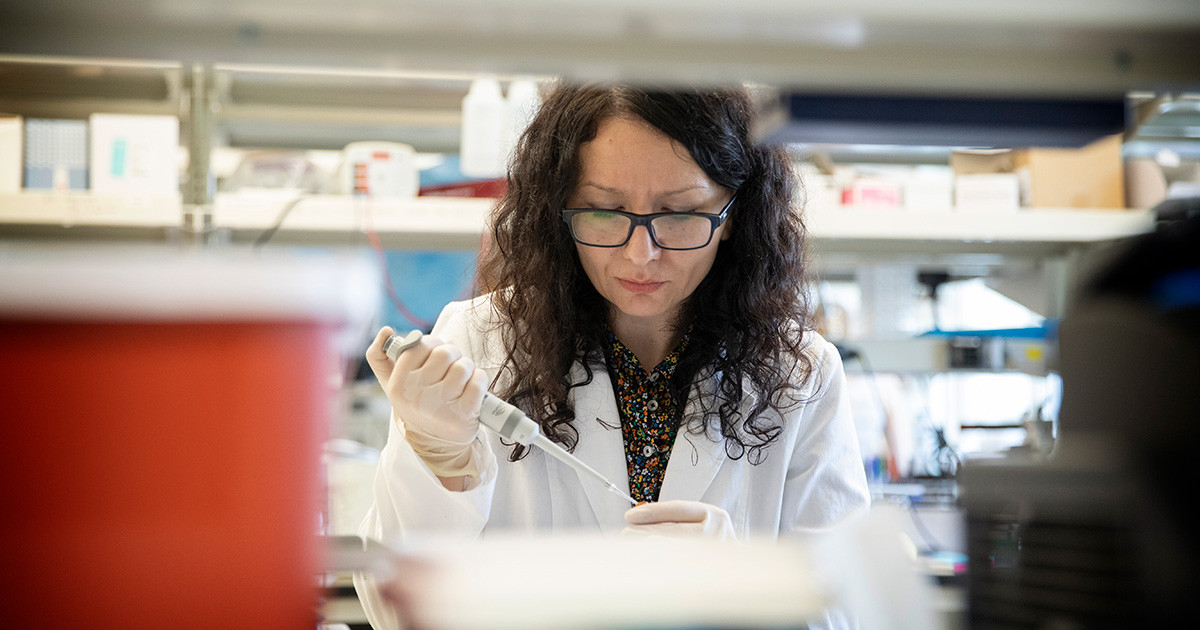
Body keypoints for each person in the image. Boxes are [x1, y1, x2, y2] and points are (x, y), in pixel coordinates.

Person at [355, 82, 871, 628]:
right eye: (604, 210)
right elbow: (392, 610)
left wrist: (744, 587)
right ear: (560, 207)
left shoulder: (799, 373)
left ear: (734, 216)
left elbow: (848, 611)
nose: (639, 254)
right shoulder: (478, 341)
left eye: (680, 213)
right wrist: (438, 460)